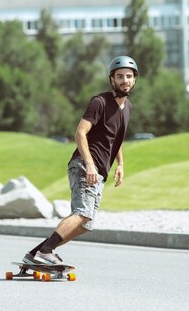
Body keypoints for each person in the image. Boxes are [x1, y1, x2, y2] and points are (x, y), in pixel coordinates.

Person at [23, 56, 138, 265]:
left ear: (134, 80)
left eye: (129, 76)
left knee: (85, 224)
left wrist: (120, 164)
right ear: (112, 79)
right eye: (120, 76)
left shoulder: (127, 107)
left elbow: (116, 138)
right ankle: (45, 252)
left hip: (100, 172)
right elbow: (80, 133)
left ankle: (34, 254)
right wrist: (90, 164)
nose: (125, 80)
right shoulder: (100, 102)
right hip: (84, 165)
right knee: (83, 213)